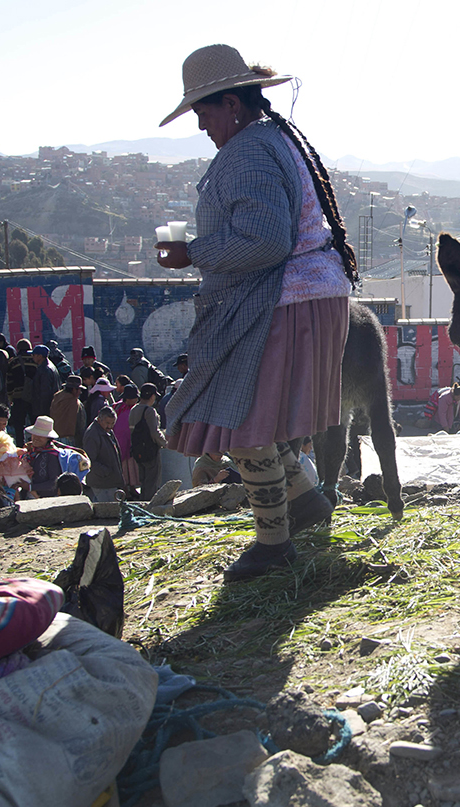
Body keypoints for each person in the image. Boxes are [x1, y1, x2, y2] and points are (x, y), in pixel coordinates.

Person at [155, 44, 354, 582]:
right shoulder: (273, 137)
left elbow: (264, 241)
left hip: (285, 299)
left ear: (232, 105)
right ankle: (306, 501)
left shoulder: (246, 152)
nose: (201, 126)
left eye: (203, 113)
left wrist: (191, 253)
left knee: (241, 421)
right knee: (255, 417)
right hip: (306, 295)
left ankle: (273, 544)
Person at [128, 382, 168, 500]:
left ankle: (142, 503)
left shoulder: (133, 409)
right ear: (152, 396)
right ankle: (149, 506)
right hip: (150, 450)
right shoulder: (149, 411)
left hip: (137, 450)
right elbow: (154, 433)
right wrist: (165, 443)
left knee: (143, 480)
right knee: (152, 480)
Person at [83, 406, 125, 503]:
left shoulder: (106, 431)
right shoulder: (92, 434)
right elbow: (90, 461)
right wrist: (106, 471)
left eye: (112, 423)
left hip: (109, 481)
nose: (110, 426)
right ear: (99, 419)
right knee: (108, 510)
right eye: (107, 423)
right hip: (101, 482)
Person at [23, 416, 64, 499]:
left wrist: (31, 487)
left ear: (48, 438)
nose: (36, 438)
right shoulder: (31, 451)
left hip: (46, 500)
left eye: (41, 436)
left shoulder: (52, 455)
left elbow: (53, 483)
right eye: (35, 434)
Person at [5, 339, 37, 441]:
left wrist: (10, 396)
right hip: (33, 396)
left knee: (19, 425)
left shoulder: (14, 362)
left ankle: (20, 446)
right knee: (34, 423)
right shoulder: (35, 360)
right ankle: (34, 444)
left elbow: (9, 381)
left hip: (18, 397)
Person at [113, 384, 140, 497]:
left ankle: (132, 488)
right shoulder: (118, 409)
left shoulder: (128, 409)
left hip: (130, 443)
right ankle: (125, 489)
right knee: (123, 466)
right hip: (121, 443)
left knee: (131, 466)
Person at [30, 345, 61, 431]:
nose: (32, 357)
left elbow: (45, 392)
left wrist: (42, 413)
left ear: (40, 356)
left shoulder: (44, 369)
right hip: (50, 407)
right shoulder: (51, 366)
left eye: (34, 355)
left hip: (44, 409)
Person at [51, 375, 87, 446]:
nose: (80, 392)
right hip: (69, 439)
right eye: (79, 389)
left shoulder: (56, 399)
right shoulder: (75, 403)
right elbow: (81, 425)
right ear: (74, 389)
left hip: (55, 437)